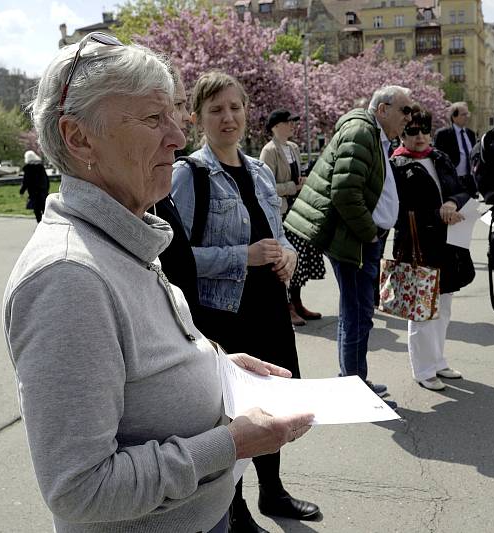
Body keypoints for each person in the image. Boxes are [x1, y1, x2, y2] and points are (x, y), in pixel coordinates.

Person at [2, 35, 312, 533]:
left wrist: (214, 366)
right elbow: (80, 490)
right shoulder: (68, 278)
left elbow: (138, 365)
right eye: (152, 119)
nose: (178, 137)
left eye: (174, 116)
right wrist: (231, 444)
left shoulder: (127, 234)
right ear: (79, 139)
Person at [171, 71, 320, 533]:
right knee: (232, 414)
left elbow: (275, 236)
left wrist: (287, 255)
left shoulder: (257, 170)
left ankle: (273, 491)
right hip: (223, 315)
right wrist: (244, 256)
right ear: (197, 117)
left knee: (272, 404)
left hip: (269, 308)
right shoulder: (188, 174)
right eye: (216, 109)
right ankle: (232, 510)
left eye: (234, 107)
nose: (228, 117)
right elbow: (176, 259)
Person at [285, 85, 412, 407]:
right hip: (356, 241)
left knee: (356, 312)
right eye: (404, 110)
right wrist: (370, 233)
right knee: (358, 314)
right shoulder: (361, 131)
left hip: (361, 239)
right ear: (382, 109)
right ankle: (354, 387)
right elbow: (345, 191)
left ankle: (353, 380)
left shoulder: (373, 134)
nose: (409, 118)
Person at [390, 105, 473, 391]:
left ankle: (438, 361)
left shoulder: (439, 157)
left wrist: (452, 203)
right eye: (412, 131)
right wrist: (436, 214)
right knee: (422, 311)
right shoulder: (396, 165)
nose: (420, 137)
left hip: (448, 244)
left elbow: (464, 189)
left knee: (445, 307)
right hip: (416, 246)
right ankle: (423, 369)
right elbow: (396, 213)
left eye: (425, 130)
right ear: (402, 132)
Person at [259, 109, 325, 326]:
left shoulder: (294, 148)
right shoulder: (269, 151)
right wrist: (292, 186)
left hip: (299, 211)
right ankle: (287, 306)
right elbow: (265, 187)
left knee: (301, 259)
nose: (292, 126)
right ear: (276, 126)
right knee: (286, 259)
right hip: (282, 212)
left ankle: (297, 302)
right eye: (288, 122)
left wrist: (302, 182)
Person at [433, 101, 476, 185]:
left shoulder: (471, 134)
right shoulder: (443, 134)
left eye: (467, 114)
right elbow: (438, 158)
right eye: (463, 114)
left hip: (470, 180)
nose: (467, 117)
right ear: (454, 117)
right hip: (452, 180)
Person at [19, 150, 49, 222]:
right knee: (44, 208)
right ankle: (47, 223)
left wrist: (22, 191)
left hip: (33, 192)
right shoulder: (41, 167)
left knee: (37, 209)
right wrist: (46, 189)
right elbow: (46, 179)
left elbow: (26, 181)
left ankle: (40, 223)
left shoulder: (28, 168)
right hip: (42, 191)